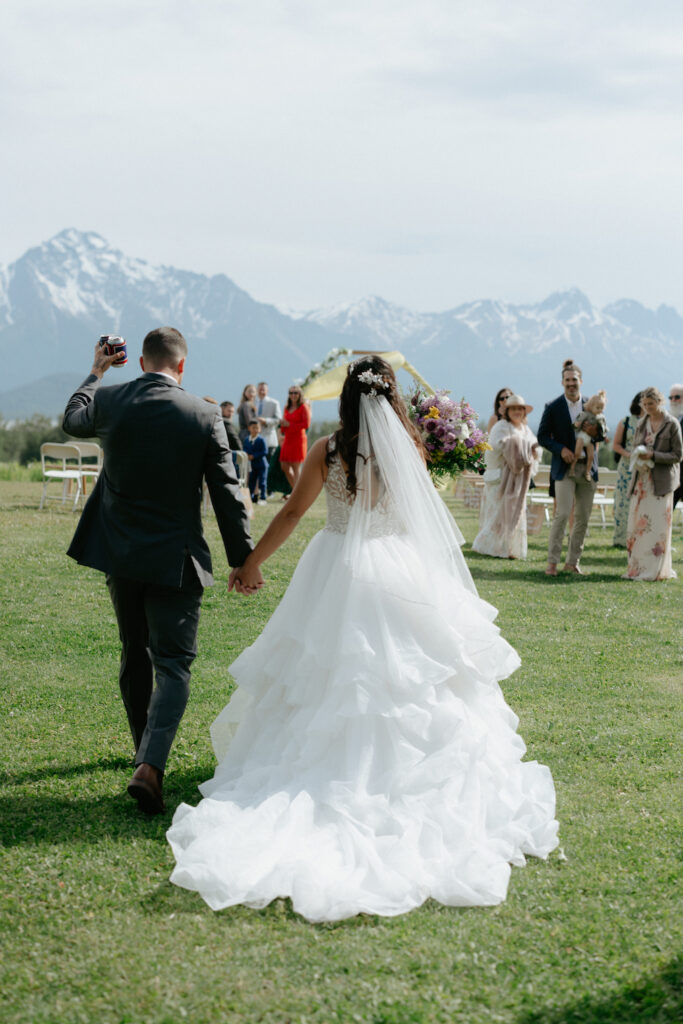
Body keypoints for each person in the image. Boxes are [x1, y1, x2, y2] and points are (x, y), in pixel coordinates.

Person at [166, 356, 558, 922]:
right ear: (392, 397)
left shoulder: (329, 450)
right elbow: (419, 518)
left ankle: (327, 765)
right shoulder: (413, 447)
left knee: (327, 672)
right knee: (409, 674)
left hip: (338, 567)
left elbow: (295, 511)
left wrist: (251, 562)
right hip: (399, 570)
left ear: (347, 399)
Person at [63, 328, 258, 816]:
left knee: (134, 651)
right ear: (182, 367)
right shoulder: (203, 413)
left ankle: (141, 753)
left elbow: (71, 420)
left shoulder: (109, 401)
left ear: (144, 361)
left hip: (120, 554)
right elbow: (227, 493)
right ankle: (150, 764)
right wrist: (242, 559)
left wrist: (96, 370)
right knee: (173, 666)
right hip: (175, 558)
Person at [538, 359, 598, 576]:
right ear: (562, 382)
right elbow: (543, 436)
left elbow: (601, 435)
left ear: (581, 381)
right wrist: (560, 449)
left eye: (574, 380)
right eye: (567, 380)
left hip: (588, 469)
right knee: (562, 514)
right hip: (564, 469)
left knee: (582, 517)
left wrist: (594, 432)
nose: (571, 383)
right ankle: (552, 562)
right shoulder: (553, 407)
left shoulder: (592, 404)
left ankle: (573, 562)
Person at [624, 386, 682, 581]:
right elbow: (634, 446)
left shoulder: (672, 424)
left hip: (662, 482)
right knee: (638, 527)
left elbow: (678, 455)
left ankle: (656, 569)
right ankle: (637, 568)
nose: (648, 407)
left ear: (660, 402)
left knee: (657, 527)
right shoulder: (642, 423)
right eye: (645, 404)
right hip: (641, 481)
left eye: (651, 403)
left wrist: (654, 455)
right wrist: (639, 454)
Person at [472, 395, 540, 559]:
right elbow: (495, 446)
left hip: (519, 479)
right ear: (507, 411)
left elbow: (536, 449)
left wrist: (525, 451)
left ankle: (511, 549)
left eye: (519, 409)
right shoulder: (501, 426)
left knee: (515, 514)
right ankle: (489, 547)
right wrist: (515, 445)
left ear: (524, 412)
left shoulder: (525, 429)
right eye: (513, 409)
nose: (517, 412)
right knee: (499, 513)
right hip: (501, 478)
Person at [611, 392, 642, 548]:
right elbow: (615, 444)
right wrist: (628, 454)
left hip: (644, 467)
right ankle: (621, 538)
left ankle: (639, 537)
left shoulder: (652, 422)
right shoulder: (626, 421)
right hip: (626, 466)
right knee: (623, 501)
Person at [569, 390, 607, 480]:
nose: (599, 410)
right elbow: (577, 423)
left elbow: (603, 430)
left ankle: (587, 472)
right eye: (597, 408)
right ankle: (572, 468)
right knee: (577, 453)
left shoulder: (601, 418)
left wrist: (602, 433)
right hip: (582, 436)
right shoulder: (586, 414)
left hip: (590, 439)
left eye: (601, 408)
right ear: (591, 406)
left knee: (591, 456)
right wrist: (577, 425)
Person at [279, 384, 312, 490]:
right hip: (288, 438)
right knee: (284, 466)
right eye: (291, 393)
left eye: (295, 393)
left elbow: (306, 425)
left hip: (298, 439)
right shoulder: (286, 407)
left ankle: (298, 492)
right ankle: (296, 490)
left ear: (299, 394)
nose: (293, 395)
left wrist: (290, 425)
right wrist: (283, 426)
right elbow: (285, 424)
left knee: (295, 466)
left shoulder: (303, 407)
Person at [244, 419, 268, 505]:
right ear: (249, 428)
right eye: (253, 428)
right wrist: (246, 455)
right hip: (252, 465)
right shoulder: (247, 439)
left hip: (262, 465)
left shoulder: (262, 439)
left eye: (257, 428)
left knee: (262, 482)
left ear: (260, 429)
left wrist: (254, 456)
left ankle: (263, 498)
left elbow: (265, 451)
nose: (255, 430)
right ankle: (251, 497)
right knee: (251, 481)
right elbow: (245, 449)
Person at [255, 381, 282, 459]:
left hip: (269, 438)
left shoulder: (274, 403)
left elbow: (278, 419)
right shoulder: (253, 403)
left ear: (267, 391)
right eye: (260, 389)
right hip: (256, 438)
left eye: (264, 389)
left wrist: (266, 421)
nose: (262, 391)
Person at [669, 383, 683, 508]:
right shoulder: (667, 419)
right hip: (671, 475)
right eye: (671, 397)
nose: (673, 400)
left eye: (677, 397)